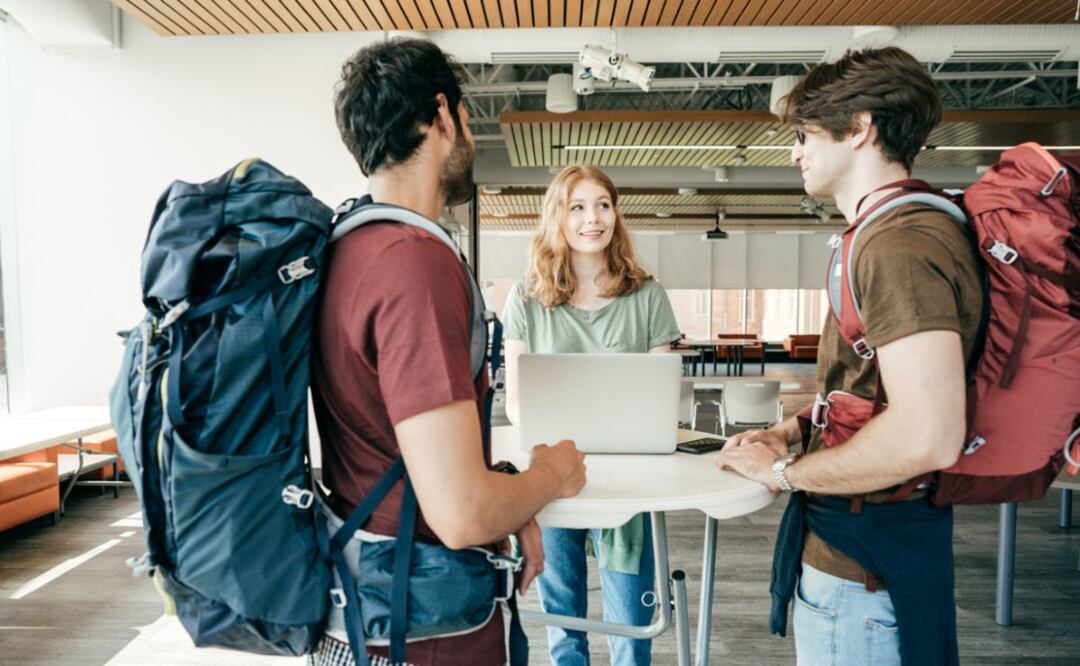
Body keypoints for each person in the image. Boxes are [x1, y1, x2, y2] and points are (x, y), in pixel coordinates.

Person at [310, 38, 587, 666]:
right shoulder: (413, 266)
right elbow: (461, 515)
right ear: (441, 115)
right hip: (423, 634)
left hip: (364, 612)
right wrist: (551, 475)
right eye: (466, 118)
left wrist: (507, 497)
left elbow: (403, 453)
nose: (469, 133)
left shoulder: (348, 247)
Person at [716, 46, 983, 666]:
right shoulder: (905, 226)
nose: (795, 151)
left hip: (863, 574)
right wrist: (792, 429)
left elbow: (928, 435)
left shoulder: (898, 243)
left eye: (807, 133)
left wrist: (781, 475)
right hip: (880, 556)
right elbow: (874, 390)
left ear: (860, 126)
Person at [501, 164, 682, 665]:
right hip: (553, 478)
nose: (592, 218)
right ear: (557, 216)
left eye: (603, 204)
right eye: (577, 206)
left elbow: (661, 397)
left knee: (631, 622)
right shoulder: (526, 298)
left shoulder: (646, 295)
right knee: (564, 621)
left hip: (630, 481)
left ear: (616, 212)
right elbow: (517, 402)